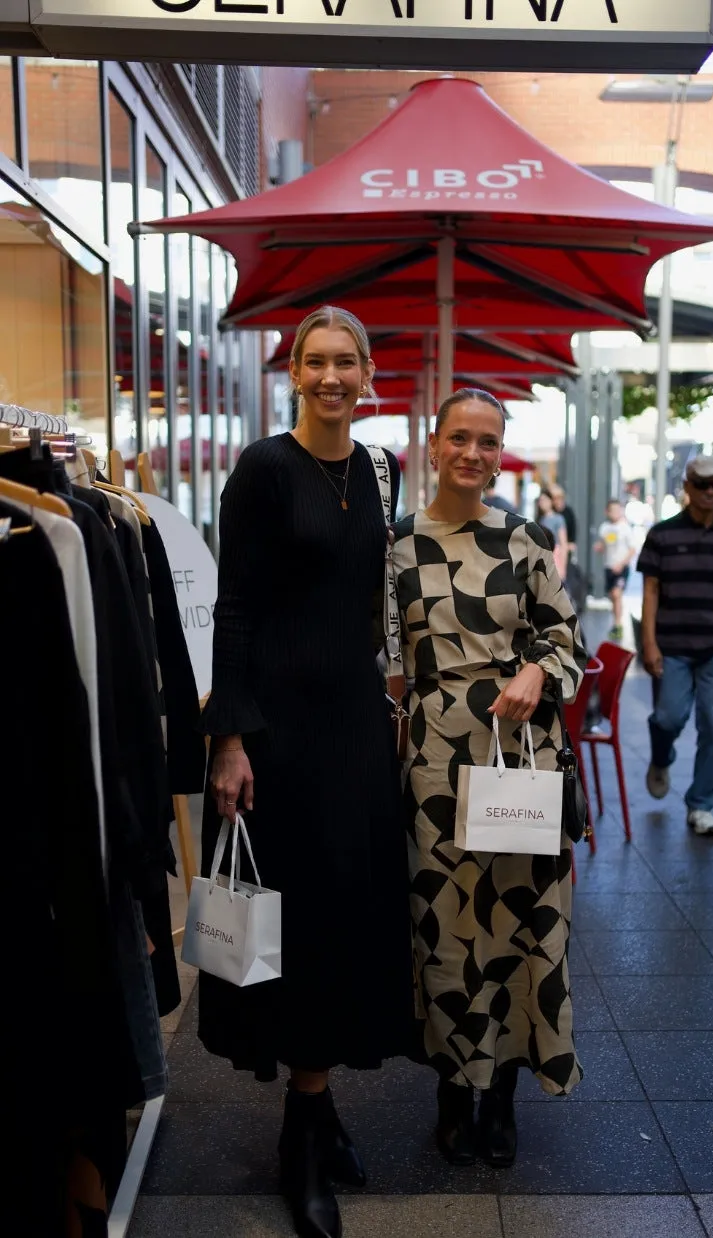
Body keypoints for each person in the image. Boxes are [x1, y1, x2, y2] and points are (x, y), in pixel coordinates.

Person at [201, 305, 414, 1238]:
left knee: (346, 915)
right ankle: (302, 1129)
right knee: (292, 924)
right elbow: (234, 610)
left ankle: (318, 1110)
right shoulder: (261, 468)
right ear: (292, 371)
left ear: (368, 372)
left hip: (356, 730)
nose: (331, 376)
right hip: (280, 735)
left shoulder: (382, 467)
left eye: (346, 361)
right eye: (315, 361)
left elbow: (379, 603)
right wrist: (230, 739)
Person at [392, 388, 587, 1170]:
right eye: (459, 439)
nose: (473, 454)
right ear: (432, 446)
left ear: (500, 452)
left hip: (522, 758)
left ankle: (502, 1092)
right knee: (442, 930)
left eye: (488, 442)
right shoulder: (397, 545)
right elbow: (378, 654)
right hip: (435, 764)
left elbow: (567, 637)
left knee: (516, 924)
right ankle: (451, 1090)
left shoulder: (525, 538)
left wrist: (540, 671)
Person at [638, 454, 713, 838]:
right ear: (688, 487)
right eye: (703, 485)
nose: (711, 492)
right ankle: (662, 758)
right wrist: (649, 643)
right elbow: (650, 591)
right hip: (673, 645)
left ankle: (701, 805)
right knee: (669, 718)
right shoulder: (661, 534)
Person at [594, 498, 636, 641]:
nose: (616, 513)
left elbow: (632, 549)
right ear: (607, 511)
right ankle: (616, 621)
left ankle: (618, 625)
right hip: (609, 567)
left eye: (618, 510)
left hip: (621, 568)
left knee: (617, 594)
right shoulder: (604, 527)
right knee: (613, 596)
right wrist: (600, 547)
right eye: (613, 510)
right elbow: (603, 544)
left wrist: (622, 564)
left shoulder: (625, 528)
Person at [536, 487, 569, 582]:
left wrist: (563, 567)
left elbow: (563, 543)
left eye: (544, 500)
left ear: (551, 501)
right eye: (540, 500)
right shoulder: (540, 519)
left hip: (555, 556)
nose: (542, 503)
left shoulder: (558, 519)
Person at [550, 484, 577, 562]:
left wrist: (571, 543)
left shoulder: (568, 512)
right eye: (554, 498)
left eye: (560, 498)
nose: (557, 501)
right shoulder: (550, 513)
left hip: (565, 548)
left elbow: (573, 528)